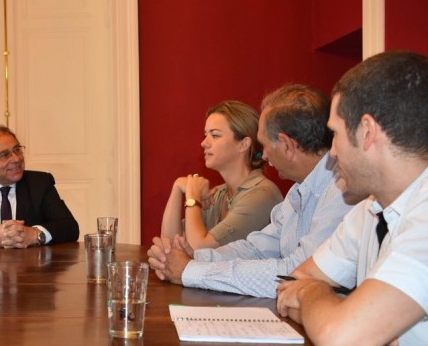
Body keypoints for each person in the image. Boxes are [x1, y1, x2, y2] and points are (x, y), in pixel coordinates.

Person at [276, 51, 428, 346]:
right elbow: (292, 283)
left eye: (335, 134)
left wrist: (325, 304)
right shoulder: (369, 210)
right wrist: (351, 314)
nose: (331, 153)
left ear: (367, 131)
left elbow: (339, 343)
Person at [147, 84, 355, 298]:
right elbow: (257, 249)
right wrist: (196, 258)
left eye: (265, 145)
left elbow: (297, 274)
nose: (263, 155)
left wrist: (191, 270)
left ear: (286, 145)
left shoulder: (341, 192)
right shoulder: (298, 190)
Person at [160, 100, 283, 249]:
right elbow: (170, 246)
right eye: (205, 134)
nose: (204, 143)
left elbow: (200, 248)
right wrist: (177, 187)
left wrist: (192, 198)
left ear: (243, 144)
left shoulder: (262, 194)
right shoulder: (218, 194)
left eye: (215, 135)